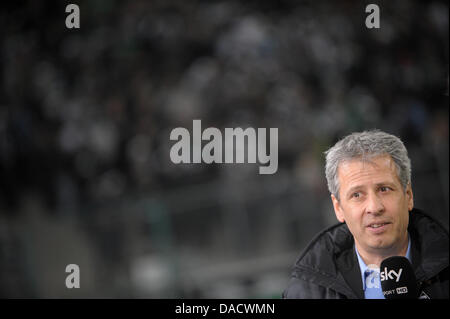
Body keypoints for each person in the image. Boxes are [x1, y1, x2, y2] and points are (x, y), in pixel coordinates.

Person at [283, 130, 449, 299]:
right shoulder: (306, 292)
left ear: (408, 196)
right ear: (338, 208)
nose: (374, 207)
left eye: (384, 189)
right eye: (357, 195)